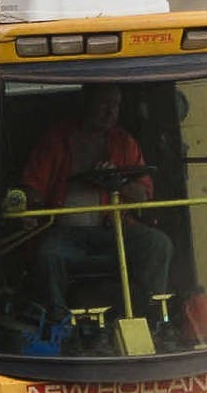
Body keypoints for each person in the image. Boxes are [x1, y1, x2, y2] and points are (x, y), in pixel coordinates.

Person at [18, 85, 172, 325]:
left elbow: (143, 195)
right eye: (104, 104)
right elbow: (33, 188)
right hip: (66, 234)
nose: (110, 112)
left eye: (116, 105)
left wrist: (117, 183)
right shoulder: (57, 140)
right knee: (48, 255)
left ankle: (152, 318)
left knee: (158, 244)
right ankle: (58, 321)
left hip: (114, 231)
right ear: (86, 103)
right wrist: (29, 209)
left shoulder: (125, 143)